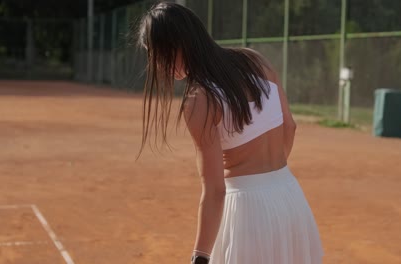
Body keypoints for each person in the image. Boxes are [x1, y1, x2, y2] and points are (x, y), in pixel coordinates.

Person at [136, 2, 323, 264]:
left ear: (176, 45)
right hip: (290, 198)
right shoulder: (255, 60)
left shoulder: (198, 99)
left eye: (155, 54)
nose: (156, 64)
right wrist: (269, 177)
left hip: (248, 213)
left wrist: (199, 257)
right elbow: (289, 127)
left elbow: (215, 191)